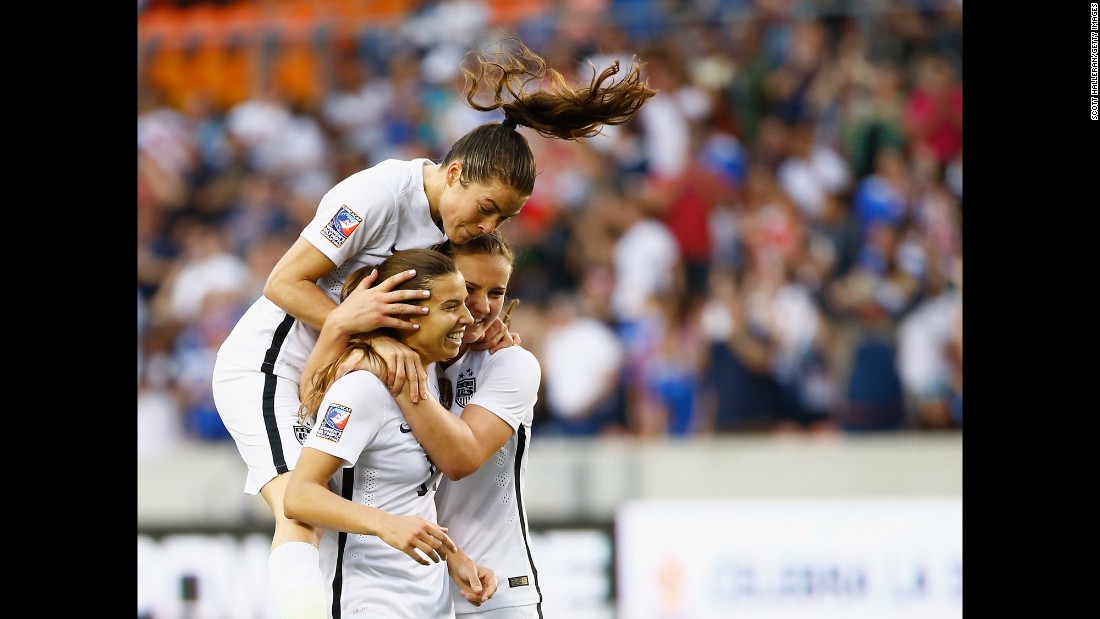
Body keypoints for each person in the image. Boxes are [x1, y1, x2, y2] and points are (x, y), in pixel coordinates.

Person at [211, 37, 656, 619]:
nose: (486, 225)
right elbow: (282, 284)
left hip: (338, 364)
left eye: (504, 218)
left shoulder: (451, 233)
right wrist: (362, 333)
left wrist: (484, 325)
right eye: (487, 207)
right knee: (299, 508)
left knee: (329, 510)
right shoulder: (376, 195)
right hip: (270, 366)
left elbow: (454, 300)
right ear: (455, 173)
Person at [304, 231, 544, 617]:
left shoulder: (508, 362)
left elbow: (459, 458)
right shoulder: (412, 366)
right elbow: (314, 400)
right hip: (414, 587)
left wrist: (391, 361)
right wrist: (364, 338)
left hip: (494, 589)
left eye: (497, 292)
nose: (479, 308)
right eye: (466, 293)